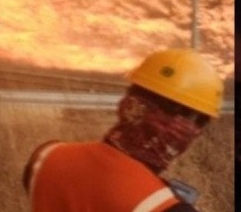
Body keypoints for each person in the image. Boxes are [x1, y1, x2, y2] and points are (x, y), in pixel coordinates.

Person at [22, 48, 224, 212]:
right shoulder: (163, 205)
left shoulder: (47, 155)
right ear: (182, 126)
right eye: (200, 122)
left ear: (130, 100)